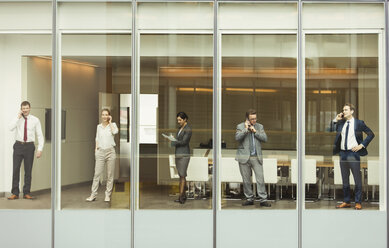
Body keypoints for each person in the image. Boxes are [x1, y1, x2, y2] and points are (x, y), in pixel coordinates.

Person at [331, 103, 375, 210]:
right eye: (343, 110)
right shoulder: (341, 123)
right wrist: (335, 120)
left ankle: (358, 202)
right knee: (345, 179)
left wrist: (362, 145)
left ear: (352, 111)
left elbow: (371, 134)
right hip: (343, 153)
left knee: (357, 178)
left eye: (346, 110)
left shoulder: (359, 123)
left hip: (353, 153)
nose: (343, 112)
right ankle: (346, 201)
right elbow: (330, 130)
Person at [8, 101, 44, 200]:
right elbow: (10, 128)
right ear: (21, 109)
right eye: (23, 108)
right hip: (18, 145)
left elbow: (40, 135)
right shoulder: (17, 119)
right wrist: (17, 117)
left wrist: (40, 149)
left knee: (28, 171)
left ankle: (26, 193)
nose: (25, 110)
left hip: (29, 146)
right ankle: (15, 193)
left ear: (30, 108)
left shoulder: (35, 120)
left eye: (26, 108)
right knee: (15, 169)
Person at [235, 109, 271, 207]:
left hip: (256, 157)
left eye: (255, 118)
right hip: (244, 157)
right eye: (252, 119)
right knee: (246, 179)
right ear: (247, 119)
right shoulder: (240, 126)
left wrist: (255, 132)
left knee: (260, 179)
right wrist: (246, 129)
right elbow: (237, 138)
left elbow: (265, 139)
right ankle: (249, 198)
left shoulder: (260, 127)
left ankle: (263, 199)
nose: (254, 120)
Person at [86, 109, 118, 202]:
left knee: (110, 175)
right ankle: (93, 195)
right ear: (101, 116)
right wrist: (96, 149)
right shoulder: (99, 127)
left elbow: (115, 132)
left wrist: (110, 122)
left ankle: (107, 195)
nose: (104, 116)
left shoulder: (113, 125)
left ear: (109, 116)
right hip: (100, 152)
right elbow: (97, 138)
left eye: (106, 115)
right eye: (103, 115)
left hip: (110, 152)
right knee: (97, 174)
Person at [168, 112, 192, 204]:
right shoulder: (180, 129)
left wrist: (174, 141)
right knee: (181, 175)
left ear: (185, 119)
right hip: (178, 154)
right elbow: (179, 141)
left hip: (184, 155)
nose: (178, 121)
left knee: (182, 175)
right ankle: (183, 195)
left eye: (180, 120)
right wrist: (173, 139)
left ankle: (181, 197)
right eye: (177, 120)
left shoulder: (188, 129)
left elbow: (184, 142)